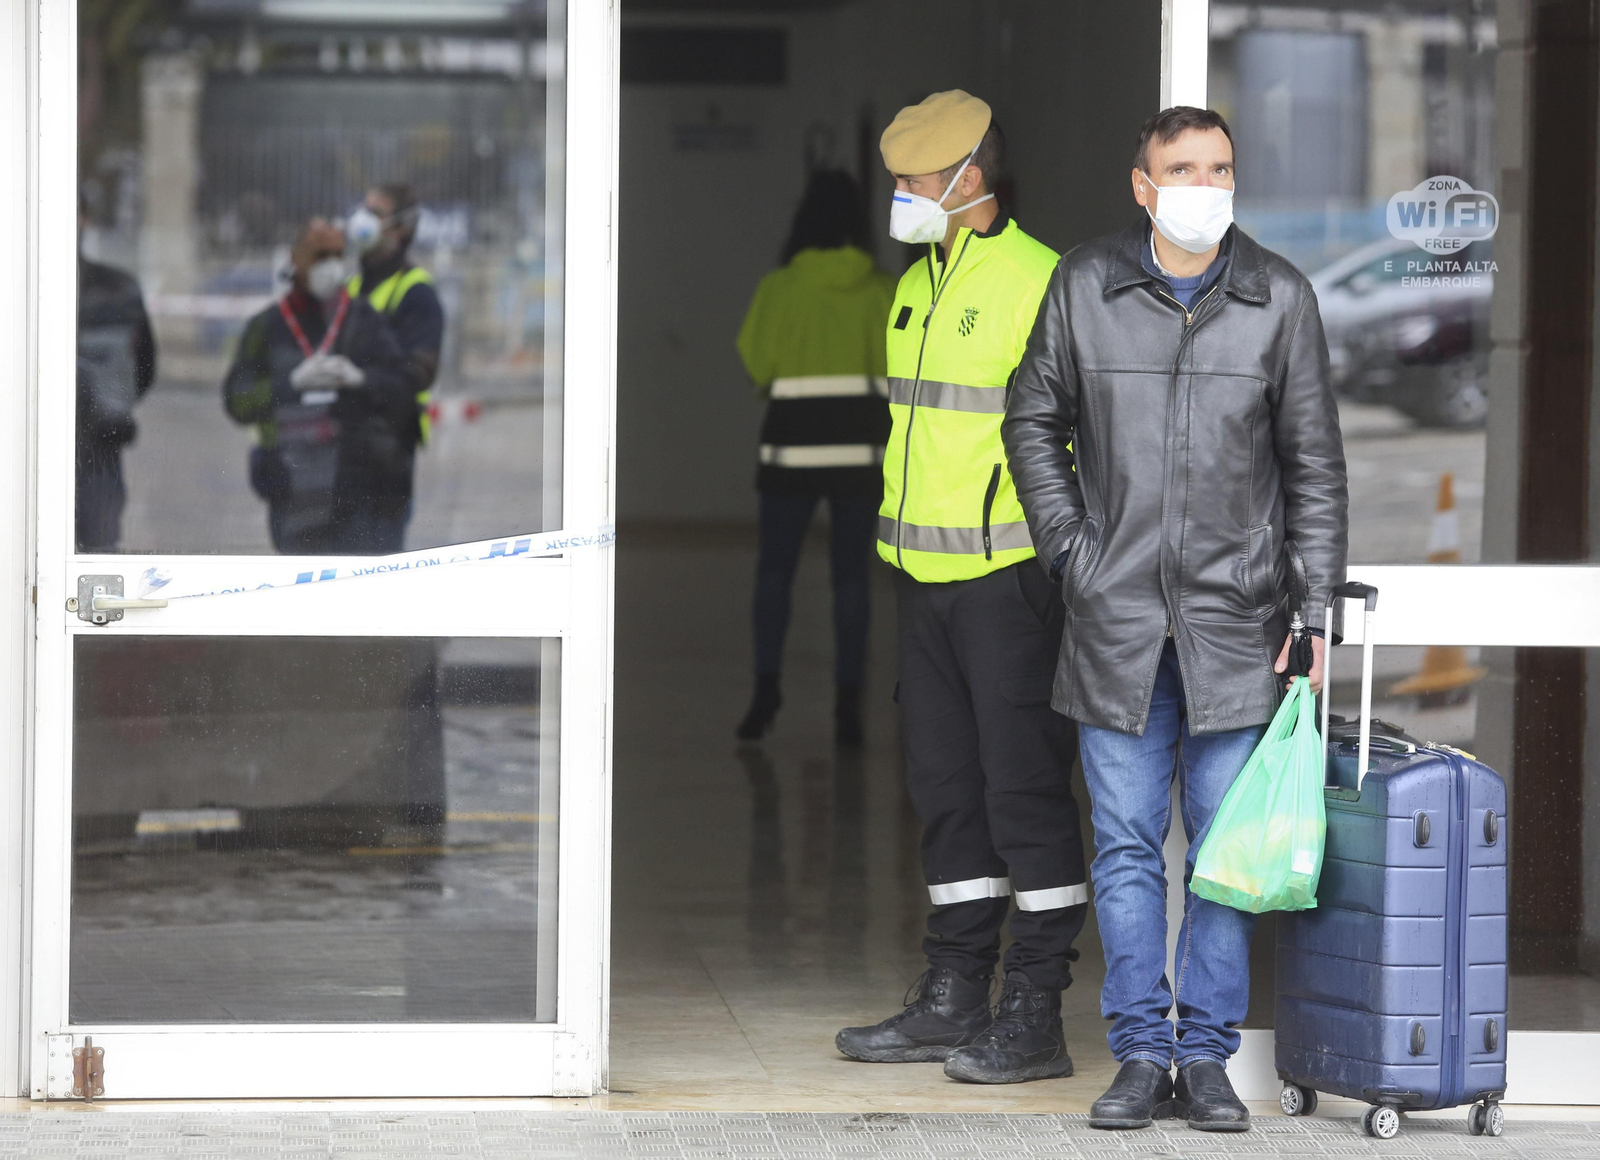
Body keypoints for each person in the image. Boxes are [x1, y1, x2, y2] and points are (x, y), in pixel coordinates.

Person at [1002, 106, 1349, 1131]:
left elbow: (1315, 465)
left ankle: (1204, 1057)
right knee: (1120, 846)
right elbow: (1032, 418)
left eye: (1222, 167)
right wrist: (1072, 551)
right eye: (1184, 168)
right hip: (1113, 622)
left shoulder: (1278, 296)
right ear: (1143, 187)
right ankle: (1137, 1051)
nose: (1207, 184)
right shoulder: (1085, 286)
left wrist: (1313, 604)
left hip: (1238, 623)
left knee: (1222, 855)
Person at [834, 91, 1089, 1086]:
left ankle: (1035, 1007)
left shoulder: (1041, 280)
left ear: (967, 178)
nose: (899, 196)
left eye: (911, 181)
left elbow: (1078, 438)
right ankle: (952, 993)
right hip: (921, 578)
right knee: (944, 794)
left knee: (1022, 793)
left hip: (1008, 581)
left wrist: (1056, 559)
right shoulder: (916, 283)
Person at [733, 170, 896, 746]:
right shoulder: (881, 289)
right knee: (851, 579)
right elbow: (898, 367)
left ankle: (765, 691)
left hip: (790, 447)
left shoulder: (780, 288)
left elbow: (757, 363)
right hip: (861, 450)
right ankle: (848, 705)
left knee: (774, 572)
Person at [224, 218, 422, 554]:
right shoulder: (269, 327)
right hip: (294, 489)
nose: (331, 266)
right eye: (321, 256)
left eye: (337, 255)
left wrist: (361, 379)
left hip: (360, 492)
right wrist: (289, 384)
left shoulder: (364, 321)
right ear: (296, 259)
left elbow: (403, 389)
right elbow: (237, 401)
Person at [77, 203, 157, 551]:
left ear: (85, 220)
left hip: (98, 445)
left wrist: (108, 403)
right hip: (34, 447)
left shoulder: (117, 289)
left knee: (98, 551)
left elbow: (142, 365)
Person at [346, 182, 444, 459]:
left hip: (390, 448)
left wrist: (360, 379)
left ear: (401, 227)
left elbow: (419, 372)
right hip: (344, 443)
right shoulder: (349, 288)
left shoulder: (417, 293)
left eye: (375, 214)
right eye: (363, 210)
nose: (361, 220)